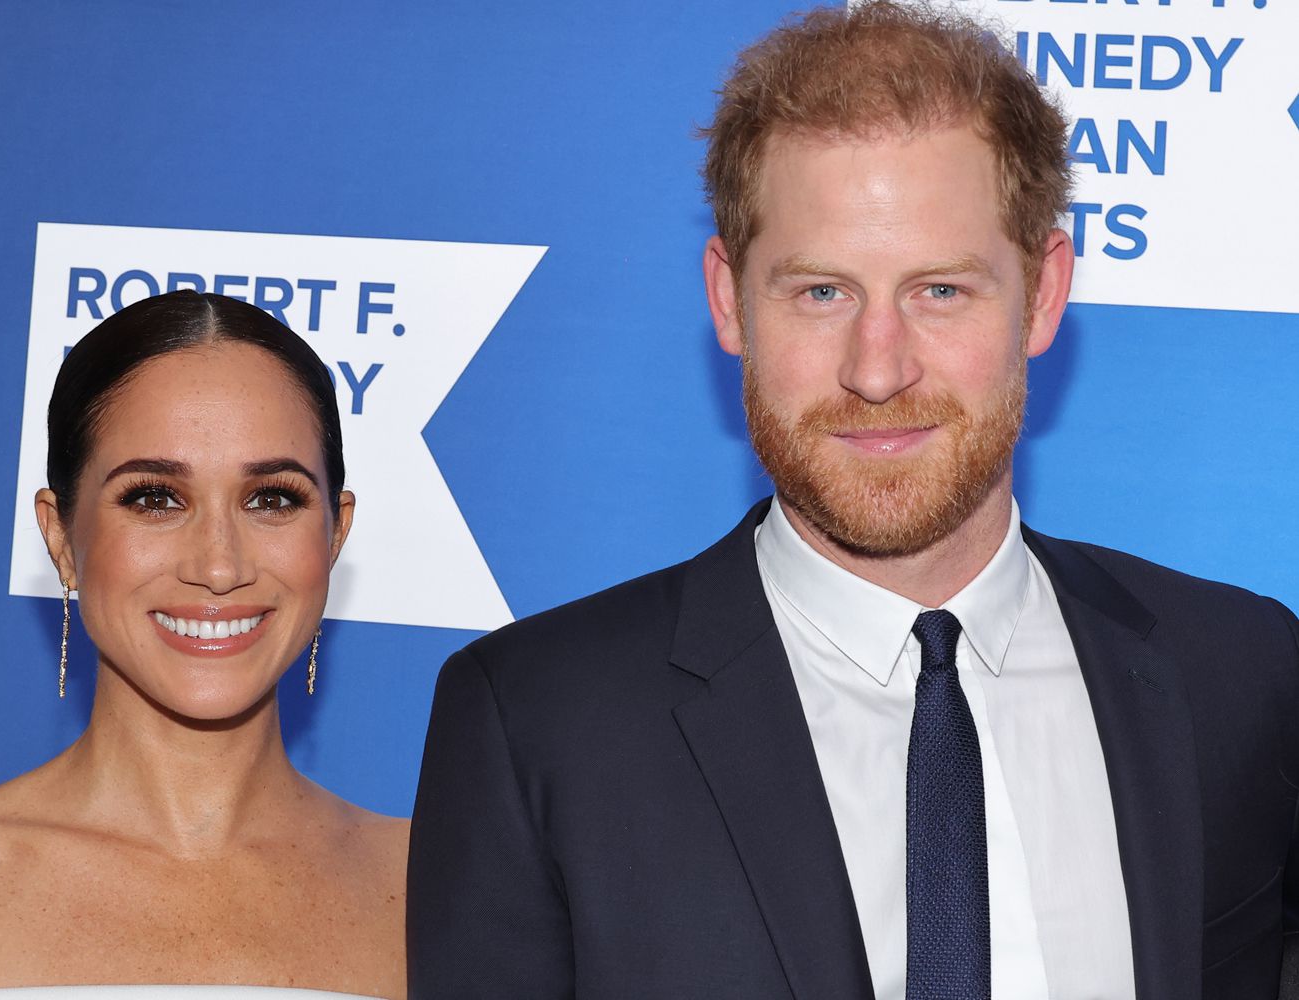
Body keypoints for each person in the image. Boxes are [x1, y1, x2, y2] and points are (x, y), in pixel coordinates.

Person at [406, 3, 1299, 998]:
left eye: (941, 292)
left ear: (1044, 294)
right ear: (728, 298)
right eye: (822, 293)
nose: (878, 370)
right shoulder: (540, 722)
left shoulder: (1238, 673)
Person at [0, 291, 407, 999]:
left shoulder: (443, 889)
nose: (219, 566)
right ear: (60, 537)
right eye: (154, 498)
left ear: (334, 534)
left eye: (271, 498)